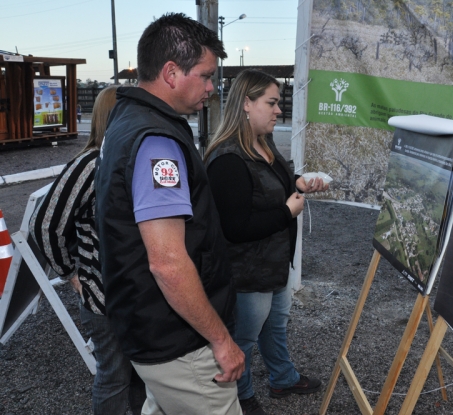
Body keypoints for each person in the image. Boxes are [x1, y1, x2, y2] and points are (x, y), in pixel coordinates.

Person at [94, 13, 244, 415]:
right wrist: (221, 340)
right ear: (172, 72)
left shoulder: (127, 119)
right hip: (178, 340)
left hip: (151, 328)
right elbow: (168, 263)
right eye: (207, 76)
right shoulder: (155, 139)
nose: (212, 89)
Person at [205, 69, 328, 415]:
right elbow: (236, 227)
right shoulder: (228, 159)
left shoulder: (263, 142)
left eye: (279, 103)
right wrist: (287, 212)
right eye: (272, 103)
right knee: (242, 339)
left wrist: (300, 183)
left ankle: (282, 378)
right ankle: (240, 398)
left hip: (274, 265)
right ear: (246, 103)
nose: (279, 110)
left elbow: (279, 181)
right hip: (247, 274)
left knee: (275, 326)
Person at [30, 85, 147, 415]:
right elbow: (45, 225)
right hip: (105, 299)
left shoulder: (133, 159)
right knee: (114, 379)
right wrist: (71, 273)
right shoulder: (89, 164)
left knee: (142, 377)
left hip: (137, 297)